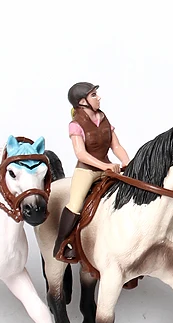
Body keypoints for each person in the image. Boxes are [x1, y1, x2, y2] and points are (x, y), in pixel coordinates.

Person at [53, 82, 130, 261]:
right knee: (76, 204)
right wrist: (104, 166)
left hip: (108, 168)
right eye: (94, 95)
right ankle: (61, 244)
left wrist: (126, 161)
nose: (99, 97)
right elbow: (81, 153)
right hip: (87, 171)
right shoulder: (75, 124)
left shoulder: (103, 118)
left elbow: (116, 145)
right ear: (82, 101)